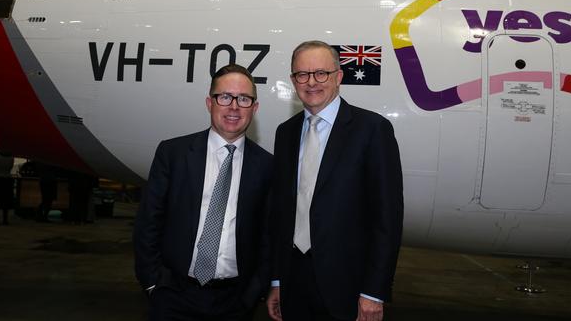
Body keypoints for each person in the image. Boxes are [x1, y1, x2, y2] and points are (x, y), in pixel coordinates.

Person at [267, 41, 404, 321]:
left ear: (339, 77)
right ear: (293, 81)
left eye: (321, 73)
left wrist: (374, 292)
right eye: (302, 75)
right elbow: (280, 214)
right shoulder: (286, 133)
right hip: (294, 283)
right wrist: (277, 280)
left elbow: (387, 219)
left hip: (348, 289)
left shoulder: (372, 130)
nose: (311, 82)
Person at [134, 64, 273, 321]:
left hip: (235, 303)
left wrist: (254, 292)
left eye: (243, 99)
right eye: (225, 97)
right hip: (173, 296)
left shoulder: (267, 166)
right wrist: (153, 283)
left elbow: (268, 237)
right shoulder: (172, 154)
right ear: (210, 103)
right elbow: (148, 223)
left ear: (254, 108)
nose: (234, 106)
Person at [0, 152, 14, 225]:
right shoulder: (11, 158)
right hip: (7, 179)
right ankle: (5, 219)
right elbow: (10, 167)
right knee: (6, 200)